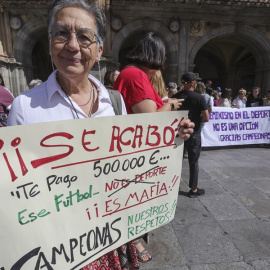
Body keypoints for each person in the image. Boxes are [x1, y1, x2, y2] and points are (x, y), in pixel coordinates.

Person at [7, 1, 136, 269]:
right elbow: (14, 190)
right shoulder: (25, 107)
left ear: (99, 50)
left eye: (85, 37)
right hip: (57, 246)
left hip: (107, 234)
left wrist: (173, 138)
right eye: (62, 33)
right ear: (50, 40)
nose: (73, 46)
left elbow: (129, 160)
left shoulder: (114, 101)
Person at [114, 32, 194, 265]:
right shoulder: (134, 75)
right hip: (134, 156)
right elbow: (150, 122)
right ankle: (131, 241)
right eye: (163, 55)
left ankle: (133, 238)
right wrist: (169, 103)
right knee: (132, 201)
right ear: (155, 55)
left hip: (140, 155)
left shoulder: (136, 75)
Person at [172, 72, 209, 198]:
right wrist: (195, 120)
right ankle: (193, 189)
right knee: (193, 162)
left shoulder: (175, 97)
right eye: (196, 81)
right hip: (193, 133)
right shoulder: (199, 97)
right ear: (192, 82)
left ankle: (171, 186)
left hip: (178, 132)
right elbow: (206, 118)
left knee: (176, 161)